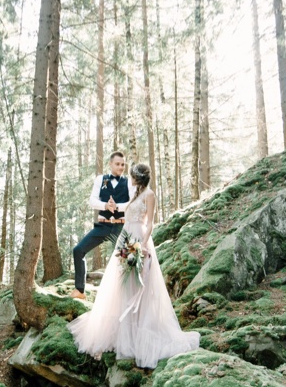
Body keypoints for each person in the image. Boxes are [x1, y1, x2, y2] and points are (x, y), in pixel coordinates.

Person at [68, 163, 200, 369]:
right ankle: (121, 329)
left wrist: (144, 244)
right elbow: (123, 211)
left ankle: (137, 330)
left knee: (138, 285)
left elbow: (150, 223)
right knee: (120, 284)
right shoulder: (135, 193)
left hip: (138, 240)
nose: (129, 179)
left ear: (138, 178)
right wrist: (108, 206)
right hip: (125, 238)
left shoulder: (149, 195)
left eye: (131, 176)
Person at [70, 151, 135, 300]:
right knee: (78, 250)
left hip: (120, 227)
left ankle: (126, 295)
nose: (120, 167)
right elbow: (92, 201)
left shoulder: (129, 181)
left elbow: (132, 202)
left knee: (124, 259)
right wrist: (106, 205)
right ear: (110, 164)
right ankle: (80, 290)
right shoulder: (101, 179)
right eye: (117, 164)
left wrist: (117, 207)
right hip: (103, 226)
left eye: (123, 164)